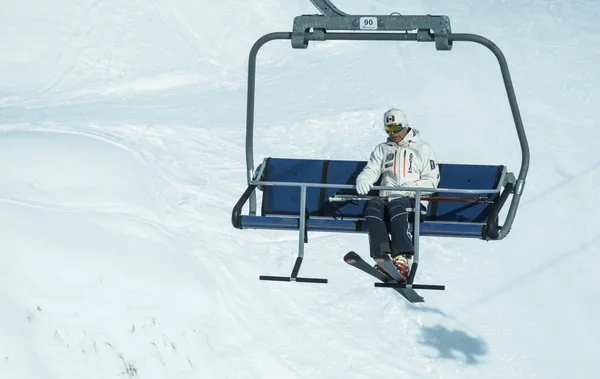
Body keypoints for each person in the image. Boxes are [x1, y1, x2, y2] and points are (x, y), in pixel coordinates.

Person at [355, 108, 440, 281]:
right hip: (387, 198)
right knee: (372, 206)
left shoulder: (422, 149)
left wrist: (410, 187)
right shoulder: (383, 149)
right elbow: (371, 169)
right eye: (388, 130)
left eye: (395, 128)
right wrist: (363, 179)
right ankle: (383, 255)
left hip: (412, 200)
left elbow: (432, 180)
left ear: (405, 126)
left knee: (397, 205)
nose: (392, 134)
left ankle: (402, 259)